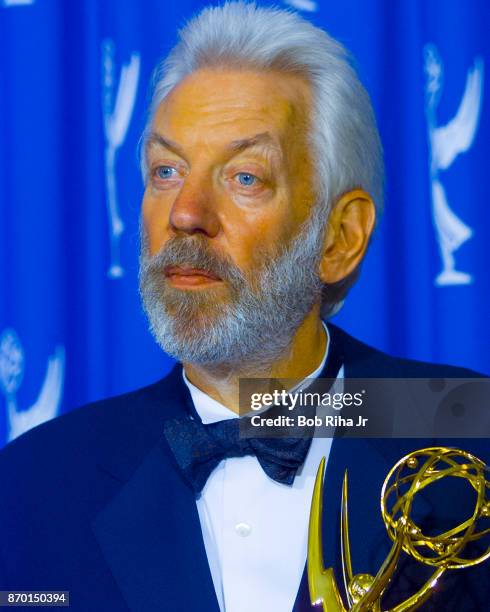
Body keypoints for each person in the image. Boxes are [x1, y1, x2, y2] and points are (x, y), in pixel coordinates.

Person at [0, 4, 488, 611]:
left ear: (339, 238)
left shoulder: (471, 427)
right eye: (166, 170)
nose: (185, 213)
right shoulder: (30, 485)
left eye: (245, 177)